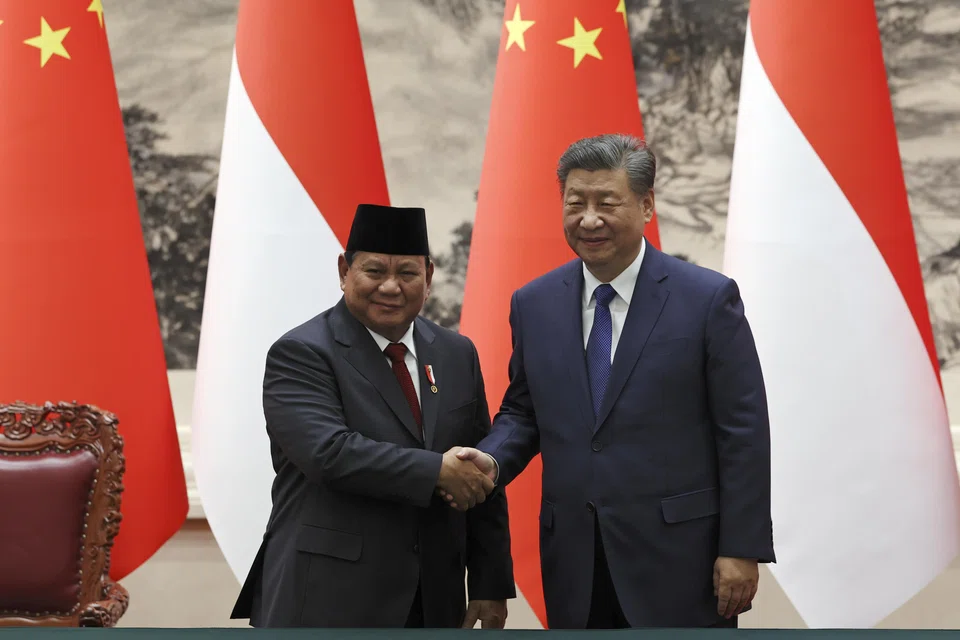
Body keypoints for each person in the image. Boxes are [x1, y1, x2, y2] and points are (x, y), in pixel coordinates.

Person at [448, 134, 775, 629]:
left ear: (646, 206)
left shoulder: (707, 300)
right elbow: (524, 411)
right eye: (575, 203)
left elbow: (743, 430)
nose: (589, 219)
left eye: (607, 202)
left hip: (681, 560)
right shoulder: (533, 304)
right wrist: (491, 459)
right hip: (575, 561)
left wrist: (742, 547)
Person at [232, 204, 515, 628]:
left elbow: (478, 468)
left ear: (429, 276)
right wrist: (437, 470)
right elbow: (329, 453)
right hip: (330, 599)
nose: (390, 287)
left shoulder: (457, 354)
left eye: (406, 273)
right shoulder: (302, 352)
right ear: (345, 270)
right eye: (374, 271)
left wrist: (491, 581)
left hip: (435, 599)